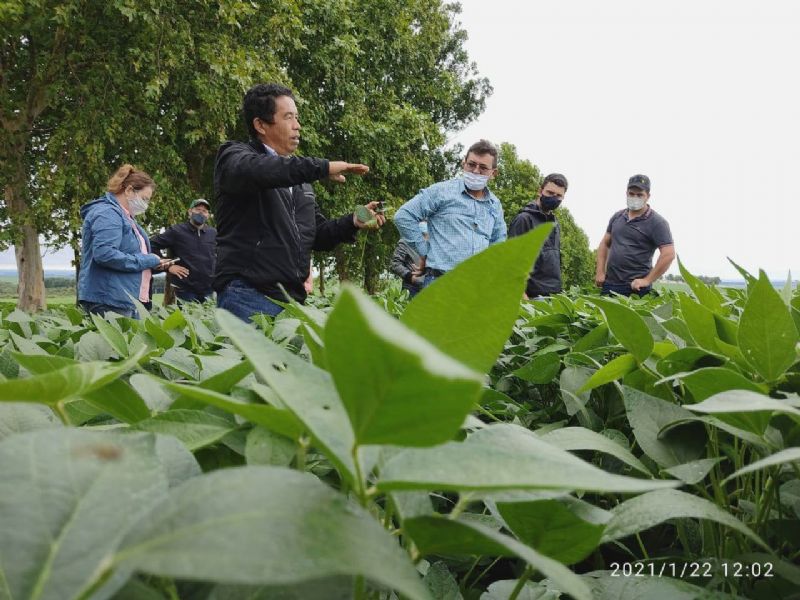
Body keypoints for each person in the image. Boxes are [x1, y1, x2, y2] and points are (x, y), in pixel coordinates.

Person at [213, 83, 385, 321]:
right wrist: (323, 167)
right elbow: (265, 171)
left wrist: (353, 222)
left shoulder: (301, 182)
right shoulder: (235, 158)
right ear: (260, 125)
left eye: (297, 117)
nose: (297, 126)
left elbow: (316, 235)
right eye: (288, 117)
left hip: (292, 301)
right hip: (247, 295)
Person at [394, 140, 507, 288]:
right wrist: (424, 252)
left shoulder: (494, 204)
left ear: (493, 173)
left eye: (483, 168)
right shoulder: (441, 192)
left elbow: (498, 242)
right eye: (471, 164)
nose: (475, 171)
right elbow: (403, 216)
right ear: (463, 163)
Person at [77, 164, 173, 318]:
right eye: (144, 199)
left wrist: (154, 264)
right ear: (128, 190)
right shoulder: (108, 213)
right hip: (109, 299)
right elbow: (105, 254)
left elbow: (132, 257)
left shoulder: (127, 218)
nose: (146, 205)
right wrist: (147, 260)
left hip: (125, 298)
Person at [595, 174, 675, 296]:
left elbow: (668, 254)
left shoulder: (658, 223)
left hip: (635, 288)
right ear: (626, 193)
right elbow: (604, 244)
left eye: (639, 195)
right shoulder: (617, 217)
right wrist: (600, 271)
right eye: (631, 194)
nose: (635, 197)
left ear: (648, 196)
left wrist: (647, 280)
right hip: (609, 284)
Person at [508, 173, 569, 299]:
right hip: (532, 296)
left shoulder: (555, 224)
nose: (554, 198)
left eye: (558, 195)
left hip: (554, 294)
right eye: (550, 193)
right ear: (540, 191)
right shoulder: (524, 219)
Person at [150, 198, 217, 304]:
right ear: (190, 212)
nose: (201, 213)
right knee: (187, 320)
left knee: (207, 320)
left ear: (208, 215)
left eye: (204, 211)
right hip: (185, 289)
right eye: (198, 209)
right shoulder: (177, 231)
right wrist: (169, 266)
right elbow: (151, 244)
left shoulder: (213, 233)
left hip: (209, 289)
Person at [389, 222, 429, 297]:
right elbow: (395, 264)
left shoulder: (431, 244)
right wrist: (410, 277)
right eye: (423, 235)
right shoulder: (405, 242)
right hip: (411, 287)